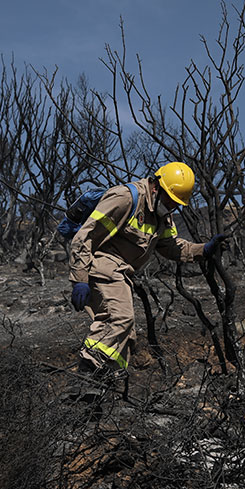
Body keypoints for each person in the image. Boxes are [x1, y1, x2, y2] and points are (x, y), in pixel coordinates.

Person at [69, 161, 227, 378]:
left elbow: (170, 247)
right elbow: (84, 237)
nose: (172, 207)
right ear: (156, 186)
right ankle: (87, 373)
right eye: (170, 200)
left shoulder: (161, 216)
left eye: (176, 204)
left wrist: (204, 249)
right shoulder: (125, 198)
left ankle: (103, 386)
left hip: (122, 273)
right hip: (103, 264)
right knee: (119, 319)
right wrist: (80, 279)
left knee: (126, 336)